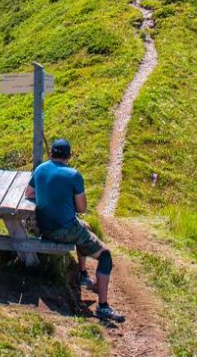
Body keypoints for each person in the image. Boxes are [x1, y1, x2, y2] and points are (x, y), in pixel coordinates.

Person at [25, 138, 125, 322]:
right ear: (69, 155)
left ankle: (82, 274)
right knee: (105, 256)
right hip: (64, 229)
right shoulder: (73, 175)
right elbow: (82, 208)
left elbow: (29, 193)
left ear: (51, 153)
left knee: (84, 226)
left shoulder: (40, 169)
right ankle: (103, 306)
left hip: (44, 227)